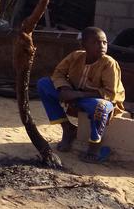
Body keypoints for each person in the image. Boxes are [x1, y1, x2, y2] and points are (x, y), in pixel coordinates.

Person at [37, 26, 126, 163]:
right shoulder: (75, 56)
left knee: (101, 106)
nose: (101, 46)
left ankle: (94, 144)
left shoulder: (109, 63)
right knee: (43, 84)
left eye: (104, 42)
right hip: (74, 95)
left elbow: (110, 93)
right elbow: (58, 73)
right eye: (96, 42)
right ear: (83, 45)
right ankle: (68, 129)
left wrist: (78, 94)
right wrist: (65, 89)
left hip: (98, 100)